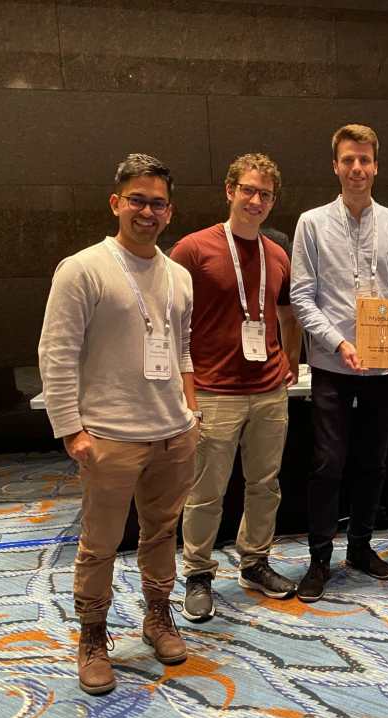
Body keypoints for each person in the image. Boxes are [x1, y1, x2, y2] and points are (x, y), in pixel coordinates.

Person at [38, 153, 198, 695]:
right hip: (109, 436)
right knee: (99, 544)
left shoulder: (178, 276)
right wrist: (71, 430)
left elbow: (183, 350)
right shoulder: (82, 269)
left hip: (173, 433)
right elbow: (57, 353)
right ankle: (92, 636)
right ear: (116, 203)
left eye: (158, 203)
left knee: (163, 533)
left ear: (170, 211)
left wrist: (191, 414)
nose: (147, 212)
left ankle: (158, 616)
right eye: (137, 200)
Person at [171, 153, 303, 621]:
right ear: (230, 191)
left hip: (268, 390)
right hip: (214, 390)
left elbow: (288, 312)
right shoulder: (193, 250)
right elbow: (171, 320)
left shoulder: (277, 254)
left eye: (265, 194)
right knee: (207, 491)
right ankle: (198, 573)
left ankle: (254, 562)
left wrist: (290, 357)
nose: (256, 200)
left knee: (265, 485)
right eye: (248, 190)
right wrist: (184, 389)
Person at [290, 124, 388, 602]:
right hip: (332, 365)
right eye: (348, 160)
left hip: (383, 369)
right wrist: (338, 342)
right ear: (335, 166)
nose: (357, 168)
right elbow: (302, 297)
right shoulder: (311, 223)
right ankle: (319, 558)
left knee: (373, 462)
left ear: (376, 166)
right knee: (327, 464)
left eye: (364, 159)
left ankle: (361, 547)